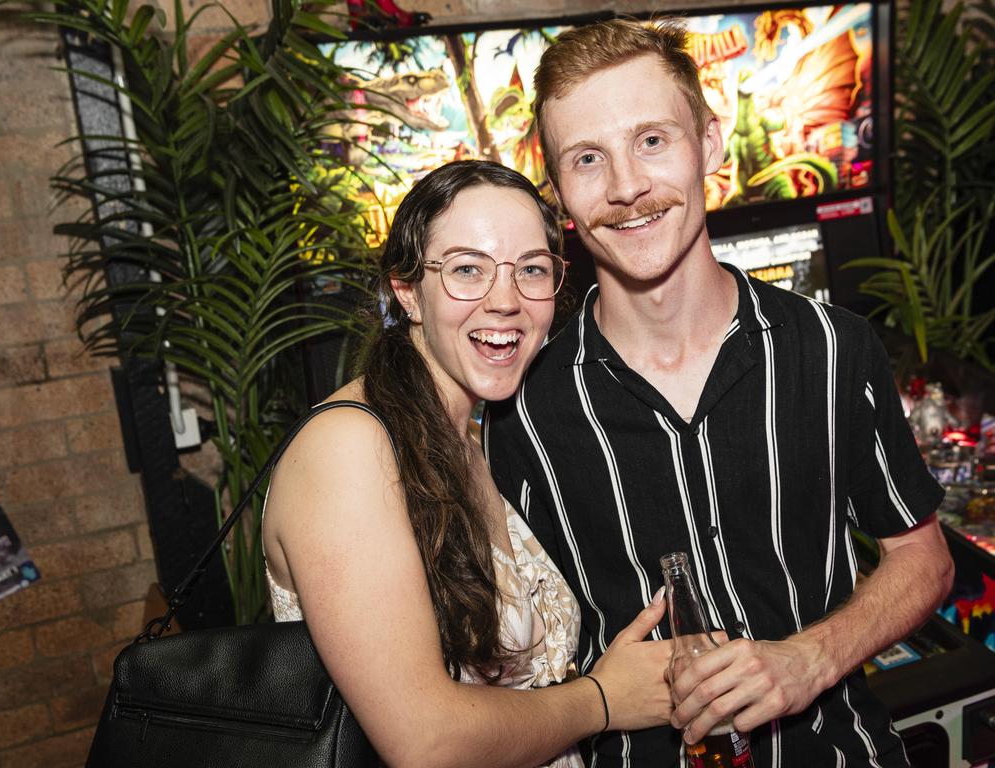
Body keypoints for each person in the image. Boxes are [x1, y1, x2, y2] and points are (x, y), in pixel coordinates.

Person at [483, 19, 955, 768]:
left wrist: (808, 659)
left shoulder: (832, 349)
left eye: (652, 141)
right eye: (587, 159)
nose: (627, 187)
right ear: (559, 191)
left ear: (709, 142)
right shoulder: (520, 408)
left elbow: (924, 559)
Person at [261, 160, 674, 768]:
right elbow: (425, 743)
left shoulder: (472, 437)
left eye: (531, 269)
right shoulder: (349, 448)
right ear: (407, 291)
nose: (505, 301)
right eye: (467, 270)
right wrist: (603, 701)